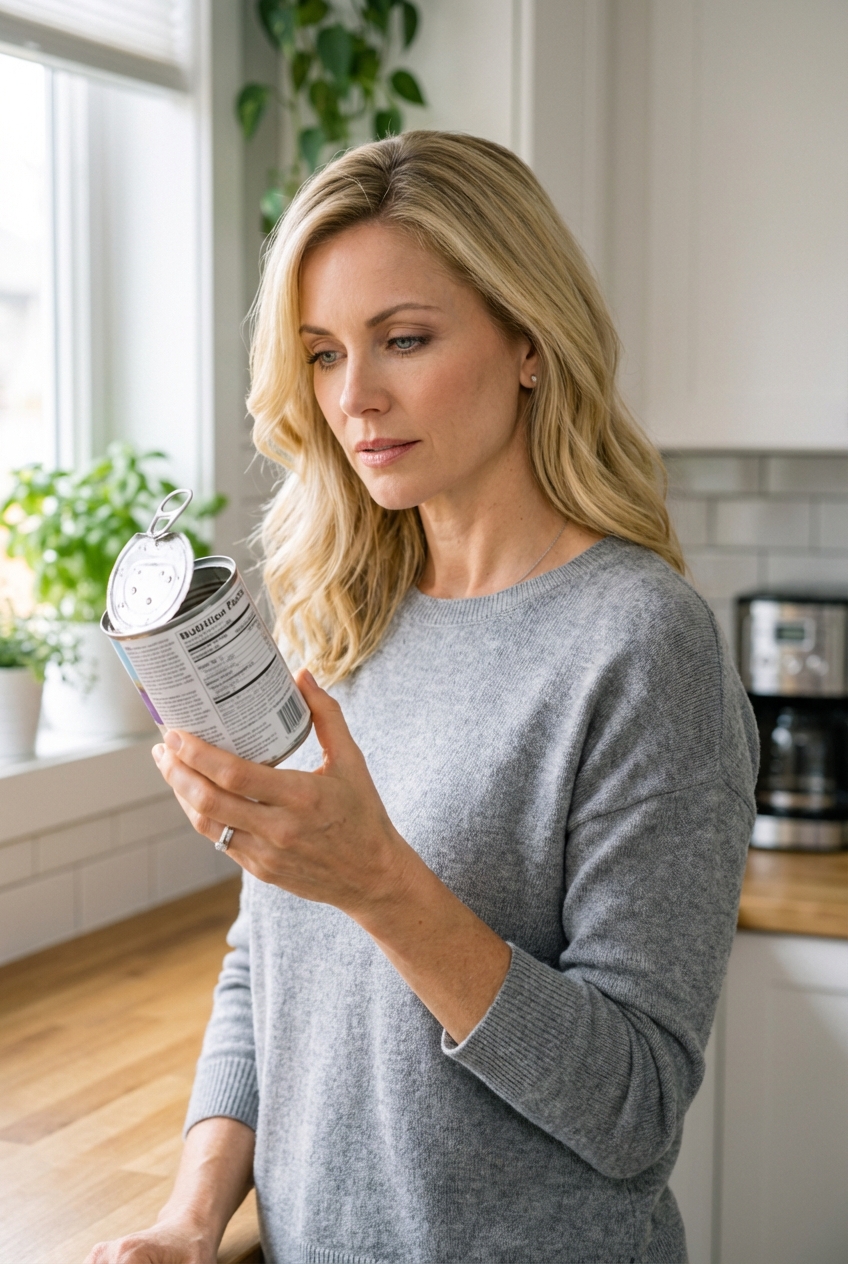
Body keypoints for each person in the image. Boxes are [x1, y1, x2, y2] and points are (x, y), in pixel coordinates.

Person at [86, 131, 757, 1264]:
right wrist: (190, 1215)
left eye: (403, 339)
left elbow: (635, 1107)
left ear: (529, 340)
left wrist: (382, 886)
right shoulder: (336, 616)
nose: (356, 398)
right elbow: (269, 963)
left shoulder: (639, 643)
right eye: (321, 353)